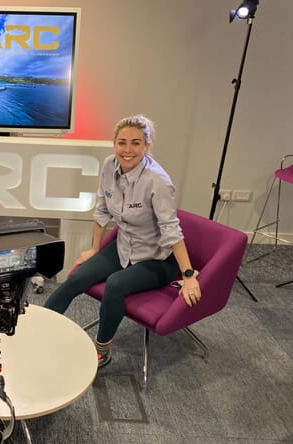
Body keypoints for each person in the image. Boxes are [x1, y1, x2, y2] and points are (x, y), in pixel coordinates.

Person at [44, 114, 200, 368]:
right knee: (77, 277)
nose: (128, 150)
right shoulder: (109, 165)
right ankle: (38, 328)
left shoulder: (158, 182)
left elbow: (171, 230)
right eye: (122, 142)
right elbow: (102, 209)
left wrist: (189, 275)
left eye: (136, 143)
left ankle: (101, 349)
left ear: (147, 146)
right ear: (114, 143)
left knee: (115, 284)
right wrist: (95, 249)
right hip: (122, 247)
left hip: (156, 259)